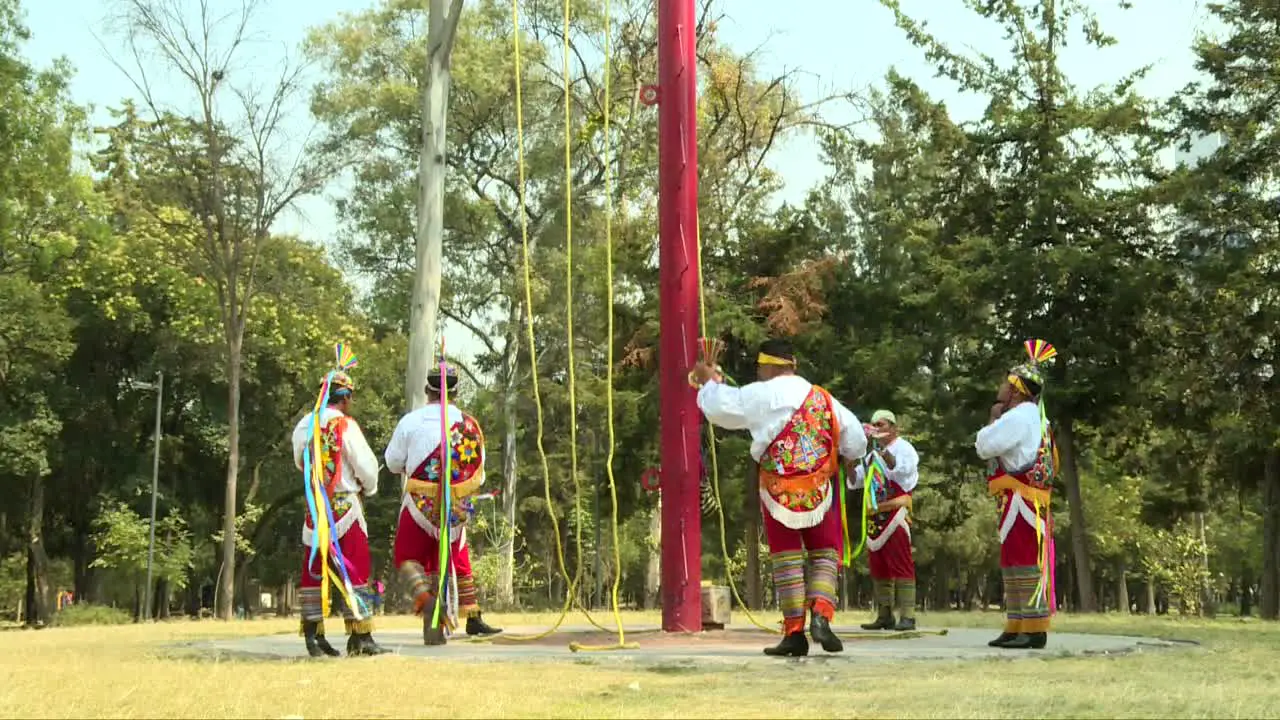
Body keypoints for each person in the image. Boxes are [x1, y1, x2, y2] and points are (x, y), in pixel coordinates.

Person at [691, 338, 867, 657]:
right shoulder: (824, 398)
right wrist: (844, 457)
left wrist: (708, 382)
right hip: (819, 489)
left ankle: (795, 632)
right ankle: (822, 616)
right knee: (825, 552)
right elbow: (855, 438)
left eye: (759, 368)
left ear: (769, 366)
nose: (759, 373)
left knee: (786, 557)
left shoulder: (761, 393)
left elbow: (720, 409)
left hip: (778, 489)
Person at [386, 361, 502, 646]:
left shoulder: (410, 422)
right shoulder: (469, 425)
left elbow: (392, 463)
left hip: (418, 503)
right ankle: (470, 614)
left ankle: (425, 600)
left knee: (407, 557)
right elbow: (479, 473)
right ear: (455, 392)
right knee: (455, 558)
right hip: (454, 504)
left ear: (427, 390)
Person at [291, 363, 388, 657]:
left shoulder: (304, 424)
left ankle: (312, 635)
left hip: (316, 507)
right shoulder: (346, 425)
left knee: (313, 570)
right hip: (345, 506)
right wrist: (368, 488)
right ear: (344, 398)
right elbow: (367, 468)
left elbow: (299, 460)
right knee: (356, 569)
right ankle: (361, 637)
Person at [975, 340, 1058, 650]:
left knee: (1022, 559)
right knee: (1014, 559)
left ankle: (1032, 628)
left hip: (1021, 498)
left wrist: (993, 417)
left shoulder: (1019, 415)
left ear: (1017, 390)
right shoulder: (1036, 416)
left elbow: (984, 445)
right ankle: (1019, 623)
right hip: (1024, 498)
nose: (1000, 388)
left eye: (1005, 383)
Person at [853, 409, 920, 632]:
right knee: (878, 566)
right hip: (876, 516)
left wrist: (884, 453)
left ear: (893, 428)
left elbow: (903, 473)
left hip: (895, 513)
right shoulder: (872, 455)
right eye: (873, 425)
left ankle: (908, 616)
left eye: (880, 424)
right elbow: (857, 480)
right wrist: (846, 458)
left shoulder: (904, 448)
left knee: (901, 563)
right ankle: (885, 615)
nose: (876, 428)